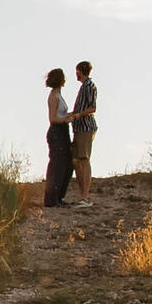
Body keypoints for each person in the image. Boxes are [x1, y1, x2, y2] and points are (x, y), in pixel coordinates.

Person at [41, 67, 75, 207]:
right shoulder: (53, 97)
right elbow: (53, 118)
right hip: (57, 132)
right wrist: (66, 120)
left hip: (62, 131)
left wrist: (70, 115)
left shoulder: (58, 96)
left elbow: (59, 115)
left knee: (66, 164)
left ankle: (58, 197)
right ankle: (51, 199)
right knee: (58, 165)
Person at [69, 59, 99, 203]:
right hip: (79, 127)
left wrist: (79, 115)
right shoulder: (84, 87)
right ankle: (83, 195)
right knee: (77, 160)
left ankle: (85, 196)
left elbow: (92, 107)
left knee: (84, 159)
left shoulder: (89, 86)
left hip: (85, 126)